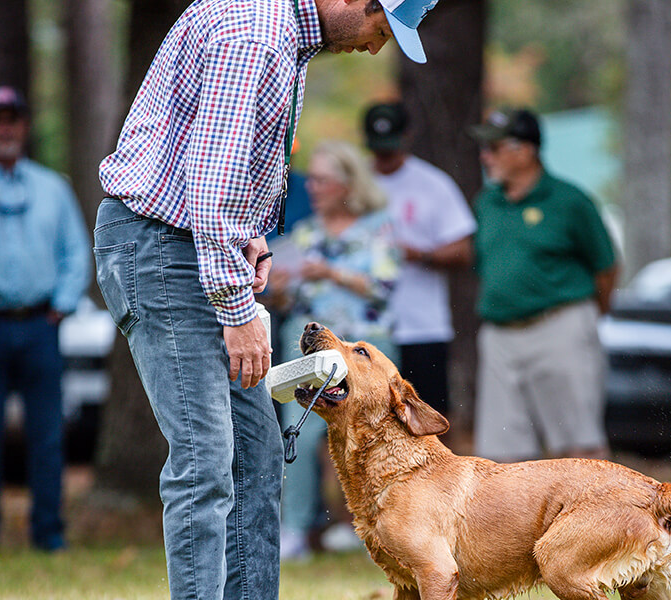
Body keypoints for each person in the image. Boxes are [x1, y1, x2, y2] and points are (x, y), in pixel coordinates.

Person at [93, 1, 441, 597]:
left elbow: (215, 179)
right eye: (382, 29)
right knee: (205, 463)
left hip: (198, 248)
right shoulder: (255, 37)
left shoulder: (288, 42)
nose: (376, 46)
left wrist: (251, 240)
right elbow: (205, 192)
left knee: (255, 457)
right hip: (162, 252)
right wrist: (238, 310)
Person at [0, 85, 91, 553]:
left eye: (13, 118)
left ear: (24, 126)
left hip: (40, 327)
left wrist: (62, 304)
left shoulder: (53, 187)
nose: (6, 127)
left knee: (47, 436)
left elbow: (75, 250)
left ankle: (49, 533)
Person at [268, 139, 399, 559]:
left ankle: (381, 526)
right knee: (300, 436)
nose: (314, 187)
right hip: (308, 353)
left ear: (347, 184)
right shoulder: (303, 233)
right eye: (314, 180)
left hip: (365, 347)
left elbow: (385, 287)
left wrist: (330, 272)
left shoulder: (378, 227)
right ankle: (295, 529)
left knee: (372, 436)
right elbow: (287, 301)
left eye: (323, 180)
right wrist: (281, 292)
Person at [469, 108, 618, 463]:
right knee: (502, 457)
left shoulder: (570, 201)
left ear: (525, 150)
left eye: (494, 147)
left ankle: (599, 519)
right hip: (499, 336)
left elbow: (606, 267)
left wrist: (585, 318)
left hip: (559, 327)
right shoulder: (486, 203)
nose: (484, 156)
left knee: (579, 449)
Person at [363, 102, 475, 417]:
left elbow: (463, 250)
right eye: (377, 149)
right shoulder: (355, 181)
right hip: (367, 326)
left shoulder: (433, 184)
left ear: (407, 137)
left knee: (427, 417)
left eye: (391, 148)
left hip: (421, 325)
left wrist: (419, 253)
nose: (384, 157)